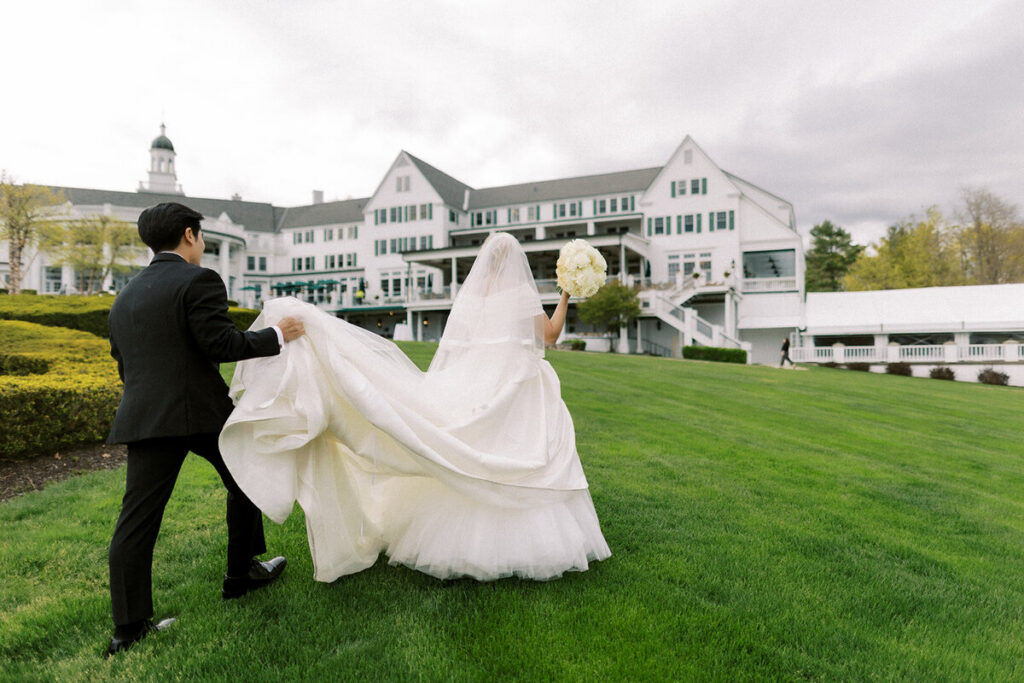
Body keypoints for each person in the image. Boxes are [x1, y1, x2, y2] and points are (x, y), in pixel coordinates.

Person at [220, 232, 610, 582]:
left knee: (468, 448)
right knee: (517, 449)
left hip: (478, 378)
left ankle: (452, 539)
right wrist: (566, 293)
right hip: (518, 381)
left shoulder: (473, 296)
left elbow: (467, 342)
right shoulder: (520, 295)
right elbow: (551, 336)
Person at [105, 202, 305, 656]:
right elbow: (221, 343)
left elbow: (124, 361)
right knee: (246, 481)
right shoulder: (200, 279)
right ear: (192, 235)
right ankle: (240, 575)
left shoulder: (126, 294)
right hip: (200, 413)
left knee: (135, 522)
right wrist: (277, 335)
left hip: (146, 418)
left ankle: (128, 630)